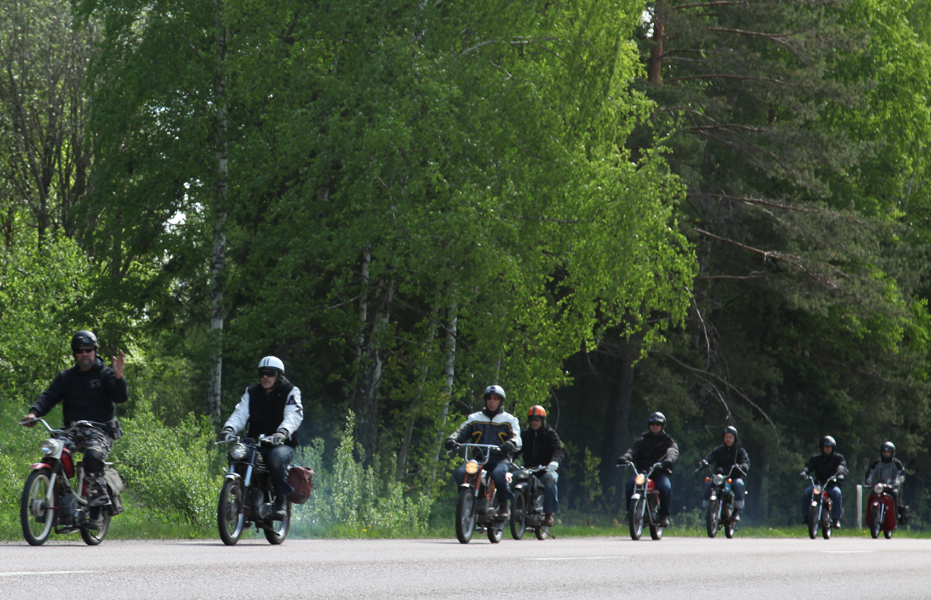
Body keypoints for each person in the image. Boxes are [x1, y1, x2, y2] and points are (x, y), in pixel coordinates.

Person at [23, 330, 128, 529]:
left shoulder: (106, 374)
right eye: (80, 351)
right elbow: (48, 396)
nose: (84, 354)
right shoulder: (66, 377)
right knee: (53, 453)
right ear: (74, 354)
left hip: (100, 430)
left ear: (95, 351)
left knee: (92, 457)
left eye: (89, 350)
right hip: (71, 430)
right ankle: (59, 502)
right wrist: (34, 414)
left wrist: (118, 375)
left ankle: (95, 514)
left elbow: (121, 397)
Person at [220, 356, 303, 520]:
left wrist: (282, 432)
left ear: (278, 375)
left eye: (270, 373)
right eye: (262, 373)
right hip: (254, 442)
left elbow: (294, 415)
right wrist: (229, 428)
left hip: (281, 444)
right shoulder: (252, 392)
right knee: (237, 455)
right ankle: (240, 498)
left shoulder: (290, 391)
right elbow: (240, 413)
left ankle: (280, 502)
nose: (265, 377)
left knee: (275, 459)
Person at [445, 385, 522, 518]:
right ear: (485, 400)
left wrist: (511, 443)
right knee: (460, 473)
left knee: (498, 474)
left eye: (496, 398)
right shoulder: (475, 418)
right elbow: (460, 432)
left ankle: (503, 505)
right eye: (489, 398)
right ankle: (468, 499)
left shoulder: (509, 420)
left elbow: (517, 438)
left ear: (500, 401)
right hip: (479, 458)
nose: (492, 401)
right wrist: (452, 440)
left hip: (500, 459)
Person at [616, 412, 679, 527]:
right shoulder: (642, 439)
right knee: (630, 484)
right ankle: (630, 512)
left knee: (665, 487)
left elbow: (673, 451)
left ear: (662, 425)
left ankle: (663, 515)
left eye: (658, 424)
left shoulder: (667, 440)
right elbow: (633, 450)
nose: (655, 426)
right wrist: (626, 457)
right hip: (642, 473)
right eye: (652, 423)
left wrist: (669, 460)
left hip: (659, 473)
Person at [515, 405, 564, 527]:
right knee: (513, 476)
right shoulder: (525, 434)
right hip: (528, 469)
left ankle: (548, 515)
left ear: (542, 420)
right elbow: (517, 449)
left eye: (537, 419)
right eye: (531, 419)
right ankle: (515, 506)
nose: (534, 422)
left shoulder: (550, 434)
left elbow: (558, 451)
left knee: (550, 479)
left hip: (546, 470)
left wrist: (554, 462)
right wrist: (509, 458)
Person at [697, 425, 750, 521]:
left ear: (735, 438)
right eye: (726, 437)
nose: (728, 439)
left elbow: (745, 462)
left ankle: (736, 512)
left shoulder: (740, 451)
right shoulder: (719, 450)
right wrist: (704, 462)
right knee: (708, 483)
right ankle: (708, 510)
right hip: (720, 476)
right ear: (723, 438)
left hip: (733, 477)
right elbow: (710, 457)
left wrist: (743, 466)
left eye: (730, 437)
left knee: (739, 484)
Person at [800, 435, 847, 528]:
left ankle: (836, 519)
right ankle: (806, 516)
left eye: (829, 447)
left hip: (831, 485)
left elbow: (842, 467)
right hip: (819, 485)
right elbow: (809, 467)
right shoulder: (815, 458)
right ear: (822, 448)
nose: (828, 449)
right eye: (826, 447)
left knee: (837, 493)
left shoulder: (838, 458)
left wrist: (841, 475)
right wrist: (804, 472)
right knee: (807, 492)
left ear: (833, 448)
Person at [865, 441, 905, 511]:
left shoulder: (897, 464)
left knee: (894, 496)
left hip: (892, 487)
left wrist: (896, 483)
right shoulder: (876, 462)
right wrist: (869, 482)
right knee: (871, 497)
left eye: (888, 453)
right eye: (884, 452)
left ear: (892, 453)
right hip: (879, 487)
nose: (886, 455)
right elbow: (871, 472)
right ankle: (870, 516)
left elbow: (900, 475)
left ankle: (895, 517)